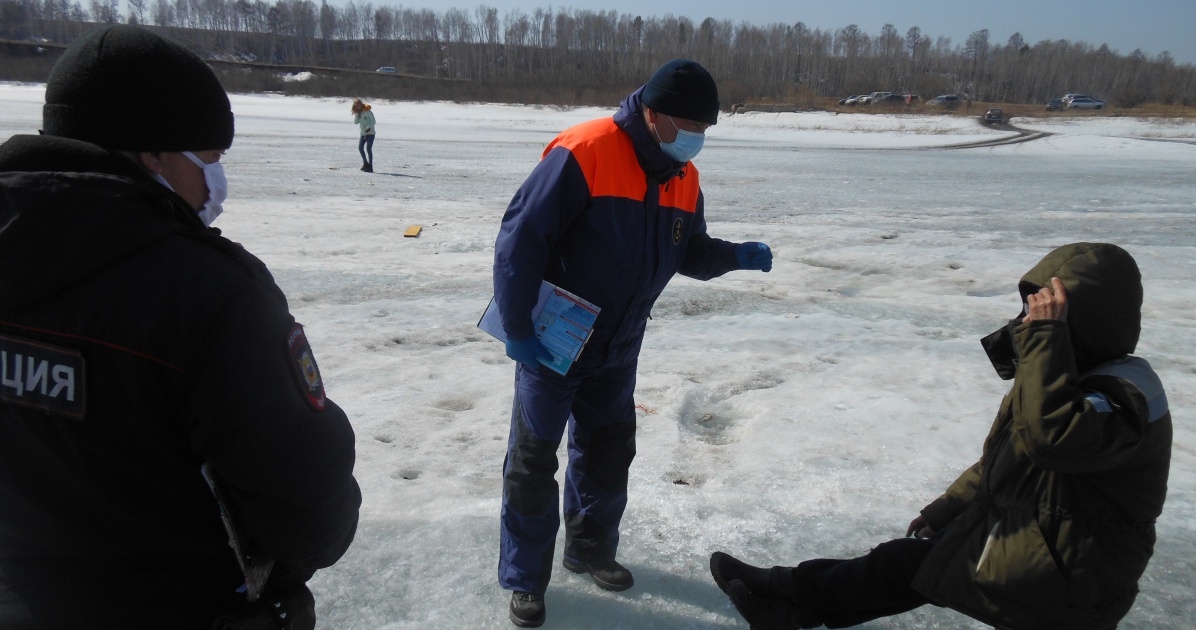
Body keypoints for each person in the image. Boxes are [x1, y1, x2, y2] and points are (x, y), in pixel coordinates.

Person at [0, 25, 361, 629]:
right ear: (154, 155)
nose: (215, 182)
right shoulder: (209, 293)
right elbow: (306, 513)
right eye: (209, 159)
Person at [710, 242, 1171, 630]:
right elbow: (1006, 461)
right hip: (1044, 550)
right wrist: (949, 507)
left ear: (1084, 320)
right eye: (1030, 311)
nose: (1028, 322)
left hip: (1073, 577)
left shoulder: (1127, 394)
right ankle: (786, 598)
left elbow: (1050, 441)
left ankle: (786, 596)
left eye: (1044, 314)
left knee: (913, 567)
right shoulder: (1065, 376)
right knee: (908, 565)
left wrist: (1045, 344)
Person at [491, 58, 774, 628]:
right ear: (652, 114)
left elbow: (687, 250)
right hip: (553, 344)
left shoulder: (682, 175)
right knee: (532, 460)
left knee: (608, 453)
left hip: (619, 349)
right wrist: (518, 327)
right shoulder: (586, 150)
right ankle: (525, 579)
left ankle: (590, 549)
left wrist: (730, 255)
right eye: (689, 126)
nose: (697, 140)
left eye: (705, 131)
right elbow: (520, 239)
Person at [351, 97, 376, 172]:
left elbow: (373, 121)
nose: (357, 107)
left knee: (368, 149)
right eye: (356, 106)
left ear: (361, 105)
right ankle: (365, 163)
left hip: (370, 133)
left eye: (358, 105)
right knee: (360, 148)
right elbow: (356, 122)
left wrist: (369, 127)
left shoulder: (367, 112)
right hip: (363, 134)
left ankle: (370, 165)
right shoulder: (359, 113)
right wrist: (357, 114)